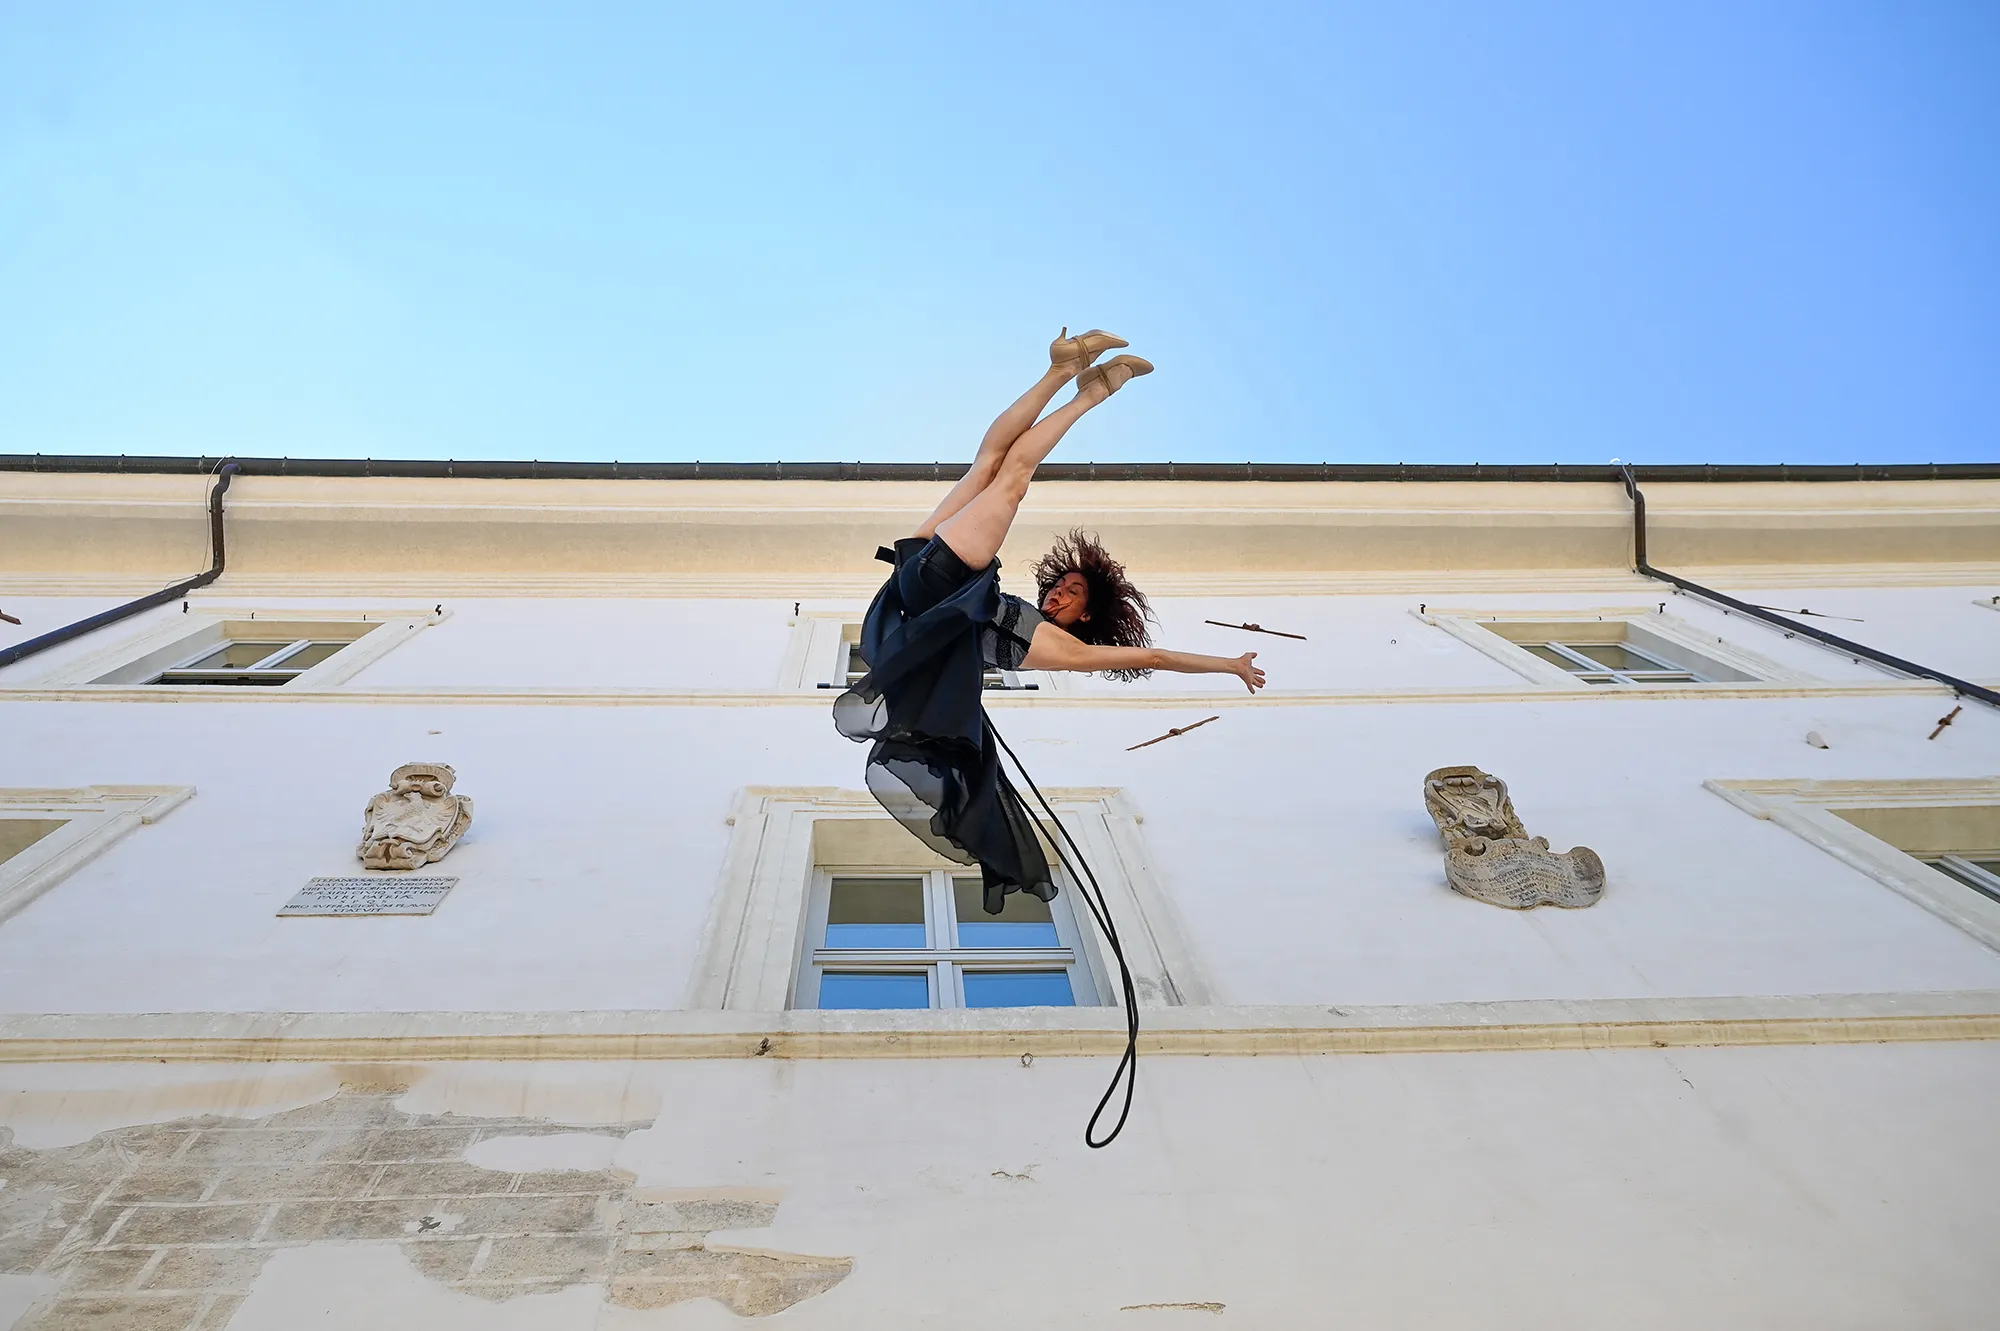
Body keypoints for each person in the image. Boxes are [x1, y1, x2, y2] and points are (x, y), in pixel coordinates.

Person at [834, 329, 1267, 915]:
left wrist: (1230, 665)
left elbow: (1156, 657)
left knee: (1012, 475)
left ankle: (1091, 390)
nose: (1061, 591)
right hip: (919, 580)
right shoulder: (1031, 614)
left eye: (1073, 592)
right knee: (990, 466)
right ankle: (1062, 370)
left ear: (1087, 615)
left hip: (938, 583)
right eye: (1061, 585)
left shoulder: (1066, 650)